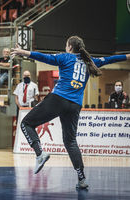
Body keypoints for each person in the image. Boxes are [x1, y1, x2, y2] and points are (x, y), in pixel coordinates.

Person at [11, 35, 130, 189]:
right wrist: (128, 55)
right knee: (70, 141)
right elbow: (111, 59)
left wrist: (23, 52)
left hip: (58, 99)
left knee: (26, 123)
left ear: (70, 47)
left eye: (66, 45)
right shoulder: (90, 61)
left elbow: (44, 57)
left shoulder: (65, 57)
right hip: (75, 105)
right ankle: (81, 179)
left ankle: (40, 154)